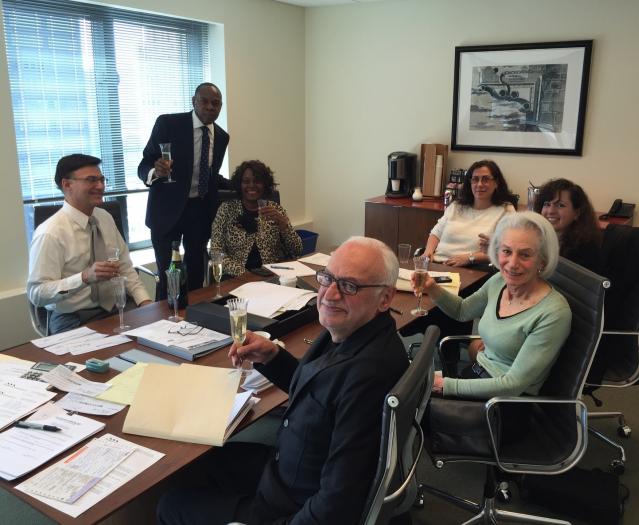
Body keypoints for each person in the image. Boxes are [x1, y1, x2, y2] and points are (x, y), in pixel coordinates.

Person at [157, 236, 409, 525]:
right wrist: (273, 357)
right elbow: (322, 394)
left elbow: (338, 503)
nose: (329, 295)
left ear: (385, 298)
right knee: (193, 466)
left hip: (290, 502)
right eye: (327, 278)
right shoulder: (356, 332)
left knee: (171, 506)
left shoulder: (369, 376)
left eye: (349, 286)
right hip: (290, 466)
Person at [414, 212, 571, 399]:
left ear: (542, 261)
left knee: (410, 400)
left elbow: (513, 385)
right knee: (404, 388)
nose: (512, 264)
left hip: (504, 402)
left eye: (525, 255)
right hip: (478, 376)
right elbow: (462, 310)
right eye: (506, 251)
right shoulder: (499, 281)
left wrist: (444, 385)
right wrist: (432, 288)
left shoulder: (553, 312)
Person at [27, 154, 152, 335]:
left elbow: (125, 268)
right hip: (73, 317)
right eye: (91, 180)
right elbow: (37, 294)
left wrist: (145, 303)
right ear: (67, 185)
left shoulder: (105, 218)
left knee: (159, 342)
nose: (100, 186)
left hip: (118, 307)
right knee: (108, 354)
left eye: (101, 180)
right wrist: (84, 278)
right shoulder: (50, 233)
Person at [138, 82, 231, 299]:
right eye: (204, 101)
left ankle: (196, 314)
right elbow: (144, 165)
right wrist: (155, 171)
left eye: (216, 103)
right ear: (193, 102)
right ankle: (166, 316)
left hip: (199, 211)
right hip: (166, 211)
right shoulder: (168, 124)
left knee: (196, 273)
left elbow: (211, 176)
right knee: (168, 274)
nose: (210, 107)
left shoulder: (222, 137)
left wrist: (242, 184)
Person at [210, 160, 302, 277]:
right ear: (240, 184)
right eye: (246, 181)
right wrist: (242, 273)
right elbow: (216, 252)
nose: (251, 185)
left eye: (257, 181)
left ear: (264, 184)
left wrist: (284, 225)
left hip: (272, 275)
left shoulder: (275, 209)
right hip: (237, 278)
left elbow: (297, 250)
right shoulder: (226, 210)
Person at [424, 159, 515, 267]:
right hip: (437, 264)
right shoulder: (456, 206)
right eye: (475, 179)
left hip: (472, 268)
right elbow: (436, 234)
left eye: (485, 179)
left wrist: (470, 258)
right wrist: (428, 252)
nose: (479, 184)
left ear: (496, 183)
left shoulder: (505, 210)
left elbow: (506, 250)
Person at [535, 178, 602, 273]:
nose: (551, 211)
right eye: (547, 204)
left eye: (560, 205)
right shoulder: (536, 237)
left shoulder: (585, 248)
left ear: (577, 213)